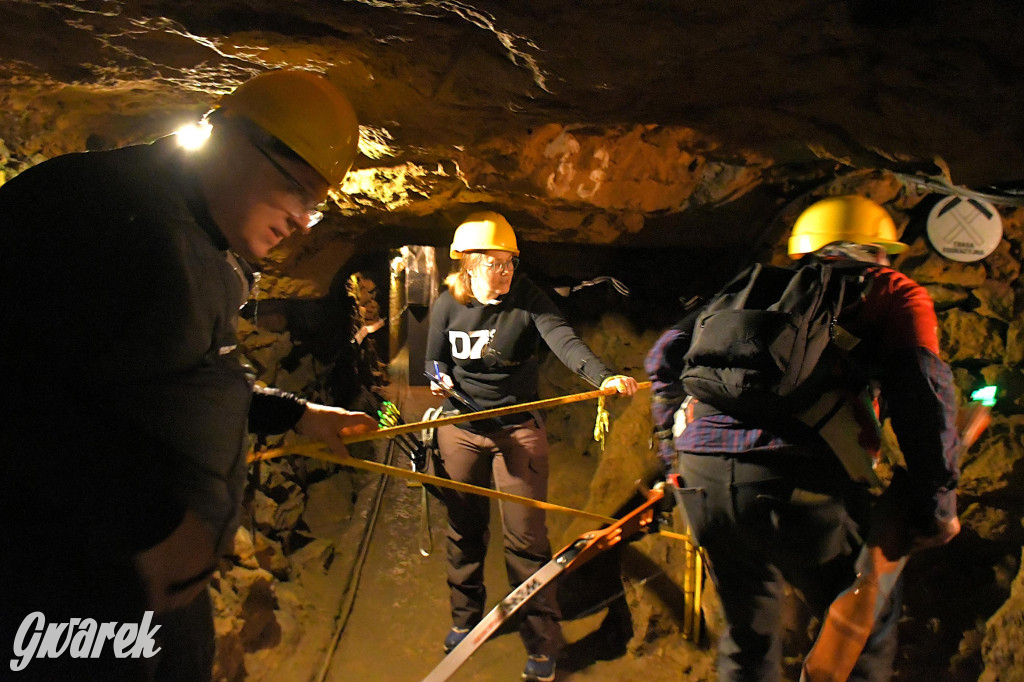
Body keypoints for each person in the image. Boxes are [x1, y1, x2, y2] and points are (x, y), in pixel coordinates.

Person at [0, 69, 378, 680]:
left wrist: (296, 414)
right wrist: (149, 524)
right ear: (232, 139)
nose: (306, 221)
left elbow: (187, 375)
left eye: (317, 201)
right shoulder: (98, 216)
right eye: (297, 190)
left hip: (150, 580)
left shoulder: (201, 239)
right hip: (70, 587)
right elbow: (19, 391)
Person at [645, 195, 962, 681]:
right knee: (860, 629)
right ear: (876, 250)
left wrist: (672, 463)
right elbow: (923, 393)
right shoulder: (888, 290)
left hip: (701, 479)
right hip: (795, 482)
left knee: (748, 633)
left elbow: (663, 358)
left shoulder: (749, 288)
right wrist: (937, 502)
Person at [425, 211, 638, 682]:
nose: (503, 273)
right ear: (468, 264)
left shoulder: (528, 301)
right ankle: (466, 619)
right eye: (493, 263)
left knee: (526, 540)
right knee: (464, 528)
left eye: (509, 263)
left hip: (517, 428)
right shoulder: (445, 306)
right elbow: (432, 362)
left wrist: (603, 377)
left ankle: (542, 643)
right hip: (462, 428)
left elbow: (565, 342)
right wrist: (438, 382)